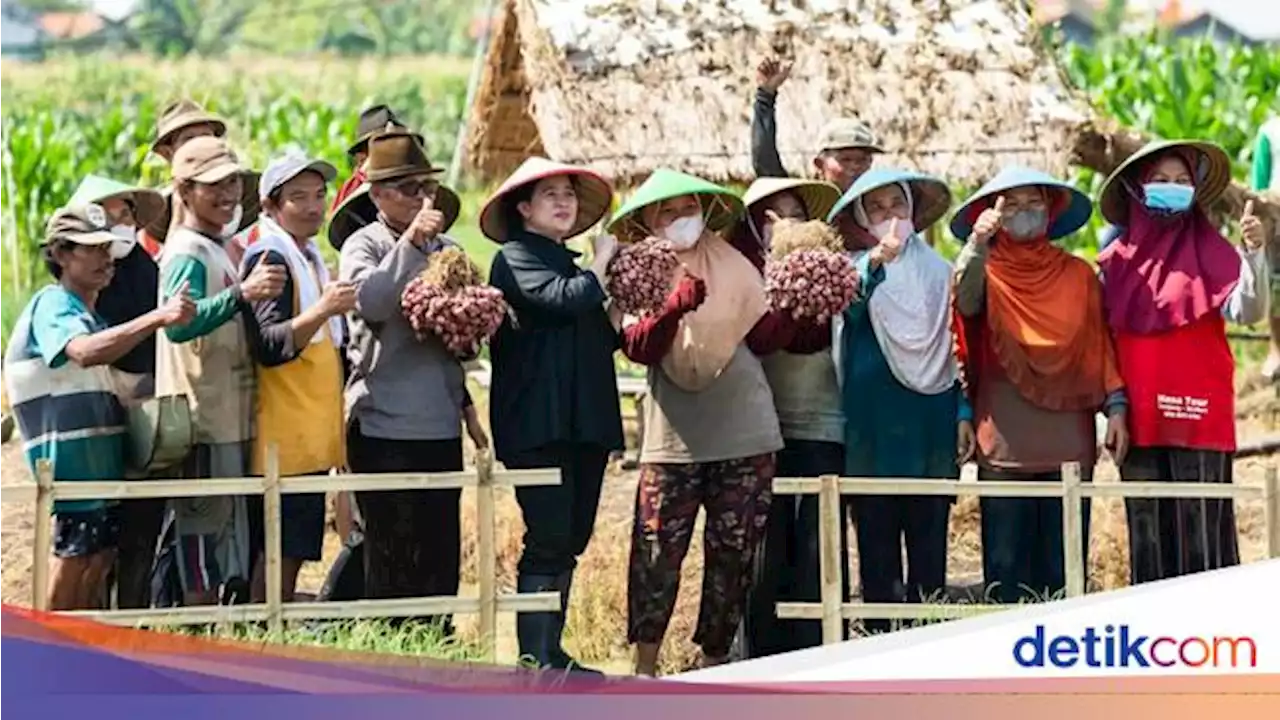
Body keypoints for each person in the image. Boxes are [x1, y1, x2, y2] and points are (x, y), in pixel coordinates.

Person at [608, 169, 799, 675]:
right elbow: (637, 346)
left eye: (686, 209)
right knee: (655, 553)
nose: (679, 220)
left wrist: (797, 294)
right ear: (648, 222)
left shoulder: (734, 265)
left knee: (734, 554)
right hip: (673, 437)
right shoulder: (640, 270)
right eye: (665, 213)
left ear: (704, 212)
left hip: (743, 427)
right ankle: (645, 666)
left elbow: (763, 337)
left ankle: (715, 659)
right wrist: (671, 310)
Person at [3, 203, 194, 610]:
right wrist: (157, 318)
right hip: (71, 470)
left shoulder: (89, 315)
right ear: (59, 254)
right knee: (75, 560)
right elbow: (84, 353)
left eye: (106, 248)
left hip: (97, 468)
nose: (103, 258)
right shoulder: (54, 304)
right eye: (89, 249)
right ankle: (50, 653)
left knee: (98, 560)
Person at [1096, 139, 1269, 585]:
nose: (1171, 189)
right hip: (1139, 419)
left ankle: (1208, 638)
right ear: (1137, 189)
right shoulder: (1112, 264)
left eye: (1181, 182)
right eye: (1160, 181)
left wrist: (1254, 255)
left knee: (1202, 539)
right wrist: (1114, 408)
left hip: (1200, 417)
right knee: (1148, 538)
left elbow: (1248, 312)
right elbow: (1102, 346)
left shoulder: (1216, 254)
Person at [951, 167, 1127, 603]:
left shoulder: (1078, 275)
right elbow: (964, 303)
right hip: (1005, 439)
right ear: (991, 213)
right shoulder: (985, 271)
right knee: (1005, 572)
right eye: (1010, 204)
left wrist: (1118, 406)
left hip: (1069, 441)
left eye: (1034, 203)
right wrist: (977, 243)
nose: (1024, 213)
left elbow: (1101, 346)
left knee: (1063, 572)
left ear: (1051, 212)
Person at [479, 157, 624, 673]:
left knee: (572, 538)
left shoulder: (569, 262)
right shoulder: (515, 258)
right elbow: (563, 301)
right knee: (547, 537)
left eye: (569, 194)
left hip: (582, 422)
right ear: (523, 209)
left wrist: (619, 297)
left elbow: (601, 337)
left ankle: (552, 653)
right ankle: (533, 658)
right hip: (538, 425)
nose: (565, 203)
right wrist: (602, 264)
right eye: (550, 196)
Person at [338, 126, 484, 629]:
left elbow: (462, 340)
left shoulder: (447, 249)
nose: (422, 197)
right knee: (391, 552)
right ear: (377, 194)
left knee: (441, 553)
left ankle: (436, 654)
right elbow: (373, 301)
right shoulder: (365, 245)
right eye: (408, 188)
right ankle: (390, 661)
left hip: (438, 424)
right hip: (383, 426)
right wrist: (411, 242)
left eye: (426, 187)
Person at [825, 168, 961, 633]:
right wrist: (876, 262)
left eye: (896, 205)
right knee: (877, 544)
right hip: (871, 432)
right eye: (876, 208)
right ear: (862, 218)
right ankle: (879, 641)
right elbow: (852, 304)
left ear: (912, 210)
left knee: (929, 543)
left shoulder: (943, 274)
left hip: (930, 429)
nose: (888, 216)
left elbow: (957, 350)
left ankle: (931, 640)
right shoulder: (853, 271)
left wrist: (963, 413)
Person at [157, 136, 286, 606]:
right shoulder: (188, 252)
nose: (228, 193)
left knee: (224, 547)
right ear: (185, 191)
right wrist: (242, 295)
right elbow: (177, 326)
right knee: (204, 551)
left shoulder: (215, 247)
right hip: (204, 421)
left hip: (228, 419)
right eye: (214, 185)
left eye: (233, 181)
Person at [729, 177, 851, 657]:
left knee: (819, 539)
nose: (785, 222)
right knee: (766, 541)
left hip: (824, 423)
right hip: (763, 427)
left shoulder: (832, 273)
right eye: (772, 214)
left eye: (795, 212)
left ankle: (820, 647)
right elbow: (760, 340)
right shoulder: (743, 273)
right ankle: (762, 650)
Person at [239, 149, 354, 603]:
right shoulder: (272, 258)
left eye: (319, 196)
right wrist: (324, 308)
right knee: (279, 552)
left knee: (292, 548)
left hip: (303, 434)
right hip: (282, 438)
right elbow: (268, 345)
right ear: (269, 206)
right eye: (298, 198)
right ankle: (266, 648)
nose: (312, 207)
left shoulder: (305, 255)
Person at [64, 175, 171, 609]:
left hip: (150, 402)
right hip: (101, 410)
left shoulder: (144, 266)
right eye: (111, 213)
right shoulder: (80, 287)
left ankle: (135, 618)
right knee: (96, 542)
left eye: (126, 212)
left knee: (143, 528)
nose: (121, 222)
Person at [139, 99, 260, 264]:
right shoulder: (154, 227)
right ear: (168, 153)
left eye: (205, 136)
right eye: (189, 139)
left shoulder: (240, 206)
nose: (201, 145)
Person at [751, 57, 883, 192]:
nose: (855, 167)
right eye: (845, 160)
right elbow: (767, 167)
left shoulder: (880, 206)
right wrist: (765, 96)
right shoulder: (807, 207)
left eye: (862, 160)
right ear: (820, 165)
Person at [1248, 116, 1280, 379]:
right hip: (1276, 218)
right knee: (1275, 284)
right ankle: (1276, 349)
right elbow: (1259, 183)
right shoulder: (1270, 131)